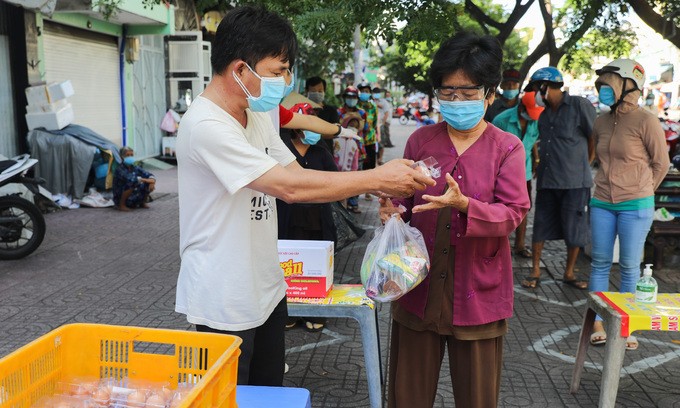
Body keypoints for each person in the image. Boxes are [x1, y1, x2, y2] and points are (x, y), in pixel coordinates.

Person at [174, 6, 434, 387]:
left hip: (266, 287)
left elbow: (297, 174)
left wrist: (372, 182)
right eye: (277, 70)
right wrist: (375, 175)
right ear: (240, 70)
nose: (286, 79)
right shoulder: (206, 125)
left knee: (268, 393)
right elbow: (288, 189)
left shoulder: (256, 113)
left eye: (287, 69)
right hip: (222, 299)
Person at [379, 32, 530, 408]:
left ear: (490, 95)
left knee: (477, 398)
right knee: (406, 396)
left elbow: (513, 212)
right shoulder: (421, 141)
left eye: (467, 93)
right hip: (418, 288)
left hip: (479, 293)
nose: (456, 101)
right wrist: (390, 212)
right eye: (447, 93)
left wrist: (466, 205)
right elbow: (401, 200)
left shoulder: (507, 147)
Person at [588, 59, 669, 350]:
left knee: (629, 267)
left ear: (628, 85)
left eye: (609, 83)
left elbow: (662, 163)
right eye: (602, 84)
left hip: (635, 204)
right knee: (599, 263)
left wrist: (642, 191)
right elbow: (598, 159)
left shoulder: (647, 120)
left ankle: (626, 326)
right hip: (602, 201)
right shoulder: (601, 120)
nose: (603, 89)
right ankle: (597, 322)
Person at [520, 67, 597, 289]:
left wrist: (586, 164)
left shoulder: (579, 105)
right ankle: (535, 270)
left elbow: (594, 138)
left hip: (575, 183)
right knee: (541, 225)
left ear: (546, 86)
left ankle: (569, 273)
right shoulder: (544, 116)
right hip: (547, 180)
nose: (534, 94)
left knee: (575, 228)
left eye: (536, 89)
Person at [277, 102, 337, 333]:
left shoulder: (321, 151)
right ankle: (289, 312)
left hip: (317, 222)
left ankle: (315, 312)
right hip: (287, 219)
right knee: (288, 269)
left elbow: (335, 181)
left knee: (315, 270)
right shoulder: (281, 149)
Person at [492, 91, 544, 258]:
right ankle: (497, 246)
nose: (532, 117)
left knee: (523, 208)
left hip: (525, 171)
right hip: (500, 172)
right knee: (499, 208)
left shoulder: (535, 121)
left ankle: (519, 245)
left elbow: (534, 142)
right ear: (521, 107)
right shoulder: (502, 120)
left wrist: (536, 160)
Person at [338, 86, 369, 213]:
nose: (351, 99)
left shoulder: (362, 113)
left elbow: (366, 129)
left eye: (354, 97)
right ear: (345, 97)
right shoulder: (339, 112)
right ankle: (341, 201)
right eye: (349, 97)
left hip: (358, 149)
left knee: (356, 177)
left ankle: (353, 202)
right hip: (340, 150)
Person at [112, 147, 155, 211]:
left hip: (133, 194)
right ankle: (121, 205)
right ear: (122, 157)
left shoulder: (135, 167)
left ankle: (142, 202)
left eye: (131, 155)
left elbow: (149, 175)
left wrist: (152, 181)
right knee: (132, 183)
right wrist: (146, 180)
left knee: (149, 183)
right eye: (127, 155)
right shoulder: (120, 169)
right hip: (120, 196)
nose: (130, 157)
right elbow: (131, 180)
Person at [305, 76, 340, 151]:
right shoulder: (302, 109)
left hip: (325, 152)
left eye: (320, 91)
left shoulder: (331, 110)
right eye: (313, 91)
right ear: (307, 91)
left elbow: (335, 132)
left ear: (324, 91)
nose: (317, 93)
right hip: (304, 152)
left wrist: (313, 135)